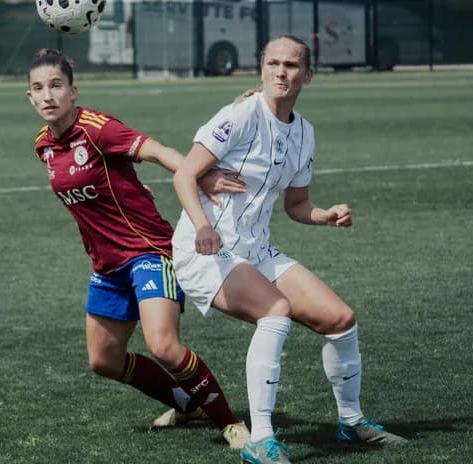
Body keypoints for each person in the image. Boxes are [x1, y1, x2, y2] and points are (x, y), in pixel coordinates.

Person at [170, 35, 407, 464]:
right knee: (275, 310)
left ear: (308, 76)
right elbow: (184, 175)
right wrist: (203, 226)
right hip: (204, 249)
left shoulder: (304, 134)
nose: (282, 72)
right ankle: (261, 440)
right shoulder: (240, 115)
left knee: (340, 318)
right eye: (273, 63)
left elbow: (297, 205)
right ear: (261, 69)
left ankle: (351, 422)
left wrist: (326, 215)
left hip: (256, 249)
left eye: (292, 65)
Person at [27, 48, 252, 450]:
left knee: (163, 345)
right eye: (38, 88)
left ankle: (230, 423)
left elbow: (157, 151)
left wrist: (199, 177)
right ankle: (187, 402)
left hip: (148, 251)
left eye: (56, 86)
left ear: (73, 91)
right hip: (106, 264)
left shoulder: (97, 128)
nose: (47, 96)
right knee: (104, 361)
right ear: (29, 97)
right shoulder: (43, 145)